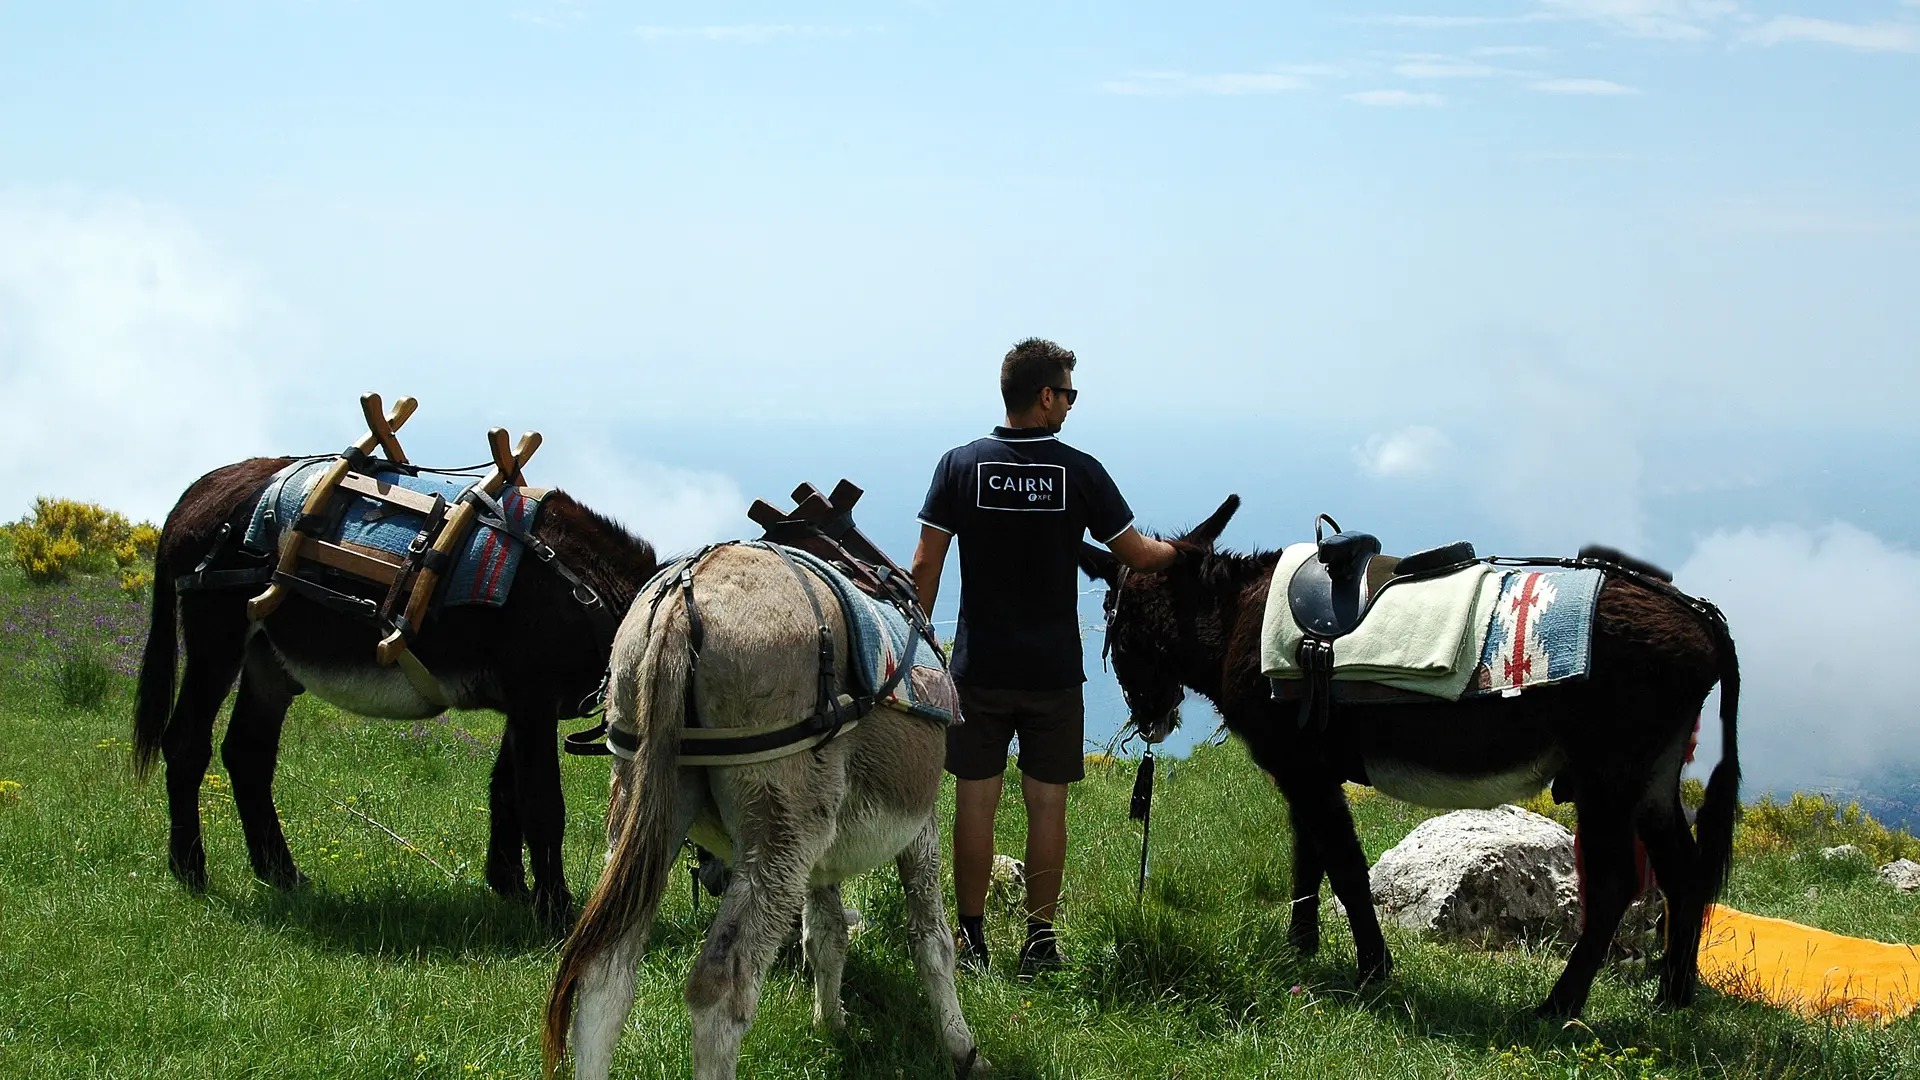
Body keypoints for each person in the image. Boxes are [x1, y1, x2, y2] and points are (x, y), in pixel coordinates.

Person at [910, 337, 1182, 978]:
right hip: (1053, 672)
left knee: (975, 803)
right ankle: (1039, 941)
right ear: (1044, 397)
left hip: (977, 669)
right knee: (1046, 805)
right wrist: (1188, 554)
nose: (1070, 405)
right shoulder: (1079, 471)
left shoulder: (959, 465)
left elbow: (925, 565)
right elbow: (1137, 556)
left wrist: (915, 642)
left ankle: (971, 941)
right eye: (1068, 394)